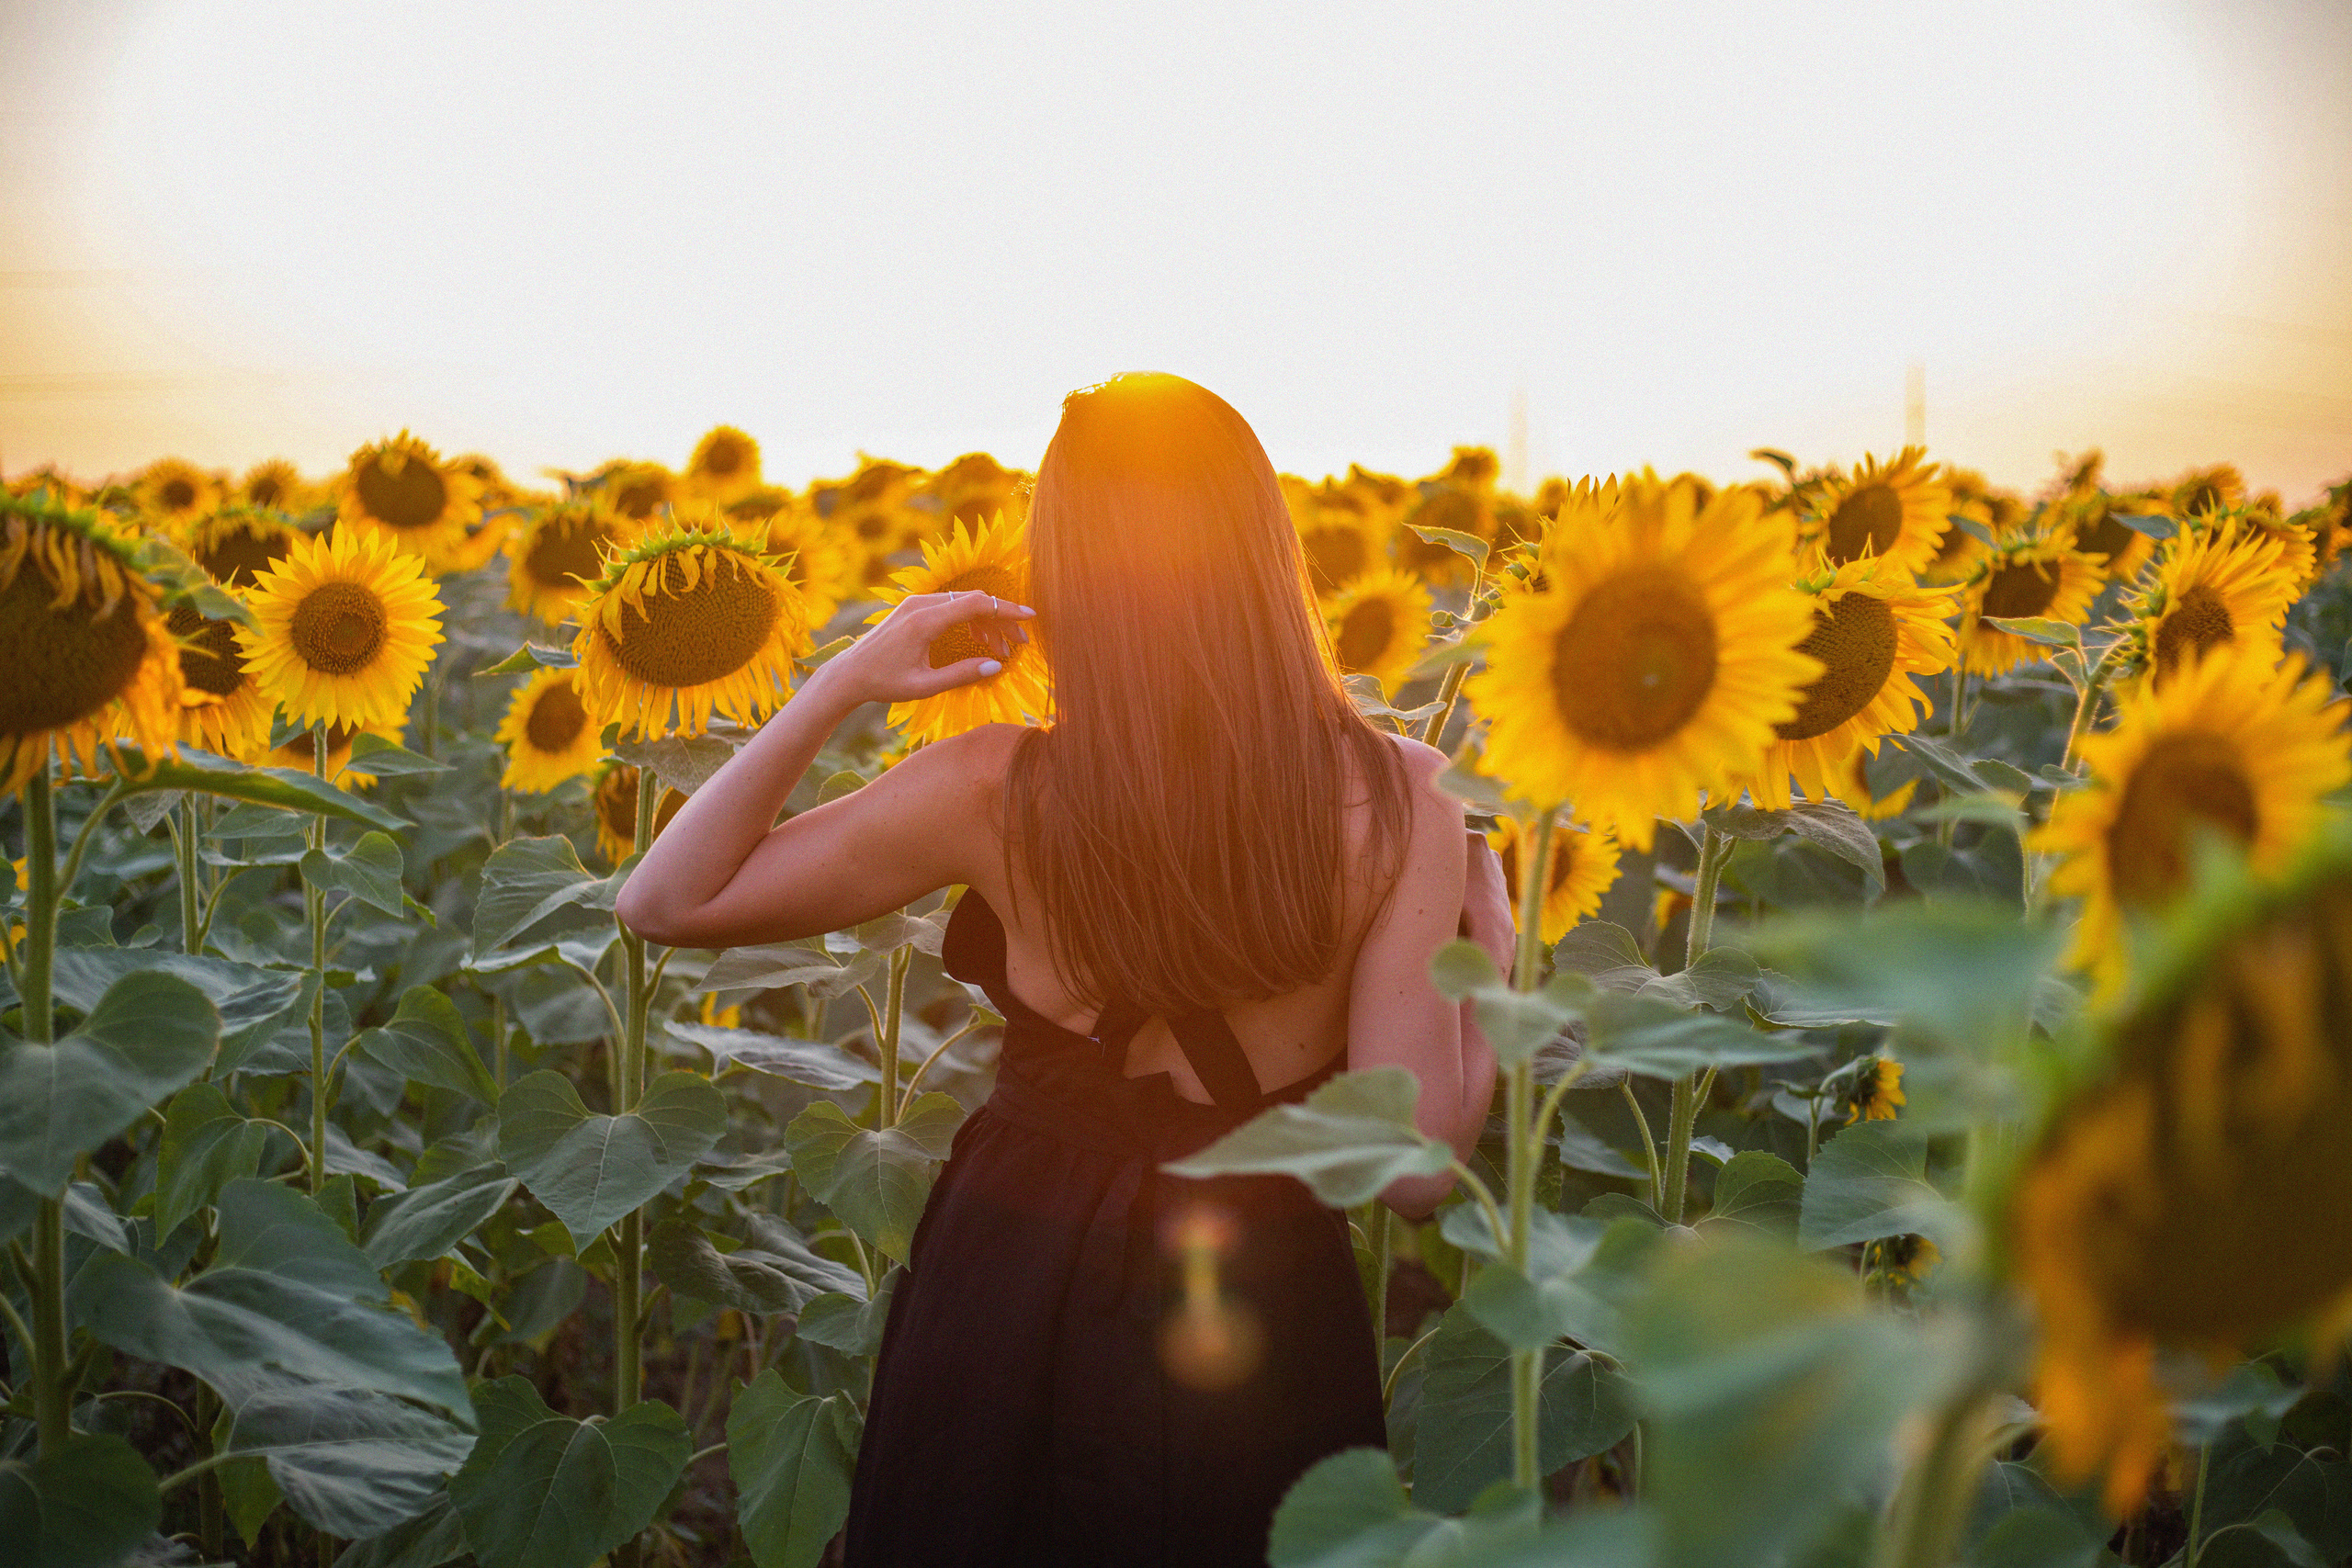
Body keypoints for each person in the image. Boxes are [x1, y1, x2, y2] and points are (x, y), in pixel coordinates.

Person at [617, 372, 1510, 1566]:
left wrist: (842, 679)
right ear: (1265, 540)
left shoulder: (995, 790)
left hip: (1012, 1276)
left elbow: (665, 900)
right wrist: (1490, 956)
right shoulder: (1406, 800)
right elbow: (1414, 1173)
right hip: (1258, 1303)